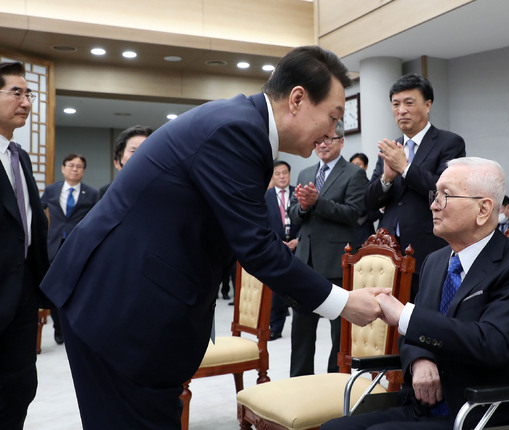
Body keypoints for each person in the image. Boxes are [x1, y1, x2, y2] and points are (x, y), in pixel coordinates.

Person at [39, 46, 386, 429]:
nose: (333, 132)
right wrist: (342, 302)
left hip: (131, 304)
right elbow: (256, 247)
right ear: (298, 99)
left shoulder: (241, 124)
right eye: (333, 117)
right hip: (120, 309)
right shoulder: (237, 131)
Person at [322, 157, 509, 430]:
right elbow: (412, 335)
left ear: (483, 209)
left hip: (480, 412)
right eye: (435, 194)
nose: (433, 204)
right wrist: (420, 359)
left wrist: (404, 313)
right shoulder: (436, 260)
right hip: (423, 405)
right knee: (335, 428)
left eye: (446, 195)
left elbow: (492, 343)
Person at [365, 73, 466, 299]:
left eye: (409, 103)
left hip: (428, 248)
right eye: (396, 104)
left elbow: (443, 193)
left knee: (423, 317)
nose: (401, 110)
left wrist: (406, 168)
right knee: (390, 323)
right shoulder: (391, 146)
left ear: (428, 105)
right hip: (389, 251)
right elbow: (369, 203)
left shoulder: (450, 143)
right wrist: (386, 180)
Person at [288, 120, 368, 376]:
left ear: (341, 142)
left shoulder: (354, 174)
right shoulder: (305, 173)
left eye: (329, 139)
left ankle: (334, 384)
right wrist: (302, 207)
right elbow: (294, 214)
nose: (322, 144)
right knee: (301, 330)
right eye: (319, 140)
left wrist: (317, 202)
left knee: (338, 333)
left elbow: (354, 214)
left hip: (335, 262)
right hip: (305, 262)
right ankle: (298, 382)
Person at [0, 61, 49, 430]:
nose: (26, 101)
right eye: (15, 92)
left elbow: (29, 232)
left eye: (28, 93)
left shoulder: (19, 157)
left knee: (18, 388)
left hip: (22, 297)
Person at [40, 153, 99, 344]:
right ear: (63, 168)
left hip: (79, 248)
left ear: (83, 171)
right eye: (71, 165)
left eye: (79, 166)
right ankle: (59, 328)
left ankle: (77, 328)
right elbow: (38, 212)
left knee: (78, 290)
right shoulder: (51, 190)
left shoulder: (92, 194)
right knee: (56, 289)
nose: (75, 169)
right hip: (54, 246)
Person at [264, 160, 301, 339]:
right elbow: (263, 223)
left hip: (298, 247)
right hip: (276, 248)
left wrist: (298, 240)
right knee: (276, 291)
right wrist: (276, 242)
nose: (281, 176)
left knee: (299, 287)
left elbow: (308, 219)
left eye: (284, 172)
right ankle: (276, 327)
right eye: (277, 173)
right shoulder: (266, 196)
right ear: (272, 176)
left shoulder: (299, 192)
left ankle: (301, 323)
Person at [98, 125, 153, 198]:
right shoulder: (107, 192)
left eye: (146, 150)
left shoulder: (164, 190)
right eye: (133, 151)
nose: (140, 155)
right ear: (121, 157)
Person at [349, 152, 379, 248]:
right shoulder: (345, 186)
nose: (355, 168)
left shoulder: (371, 186)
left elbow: (373, 213)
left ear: (365, 166)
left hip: (365, 234)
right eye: (352, 165)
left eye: (358, 165)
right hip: (348, 235)